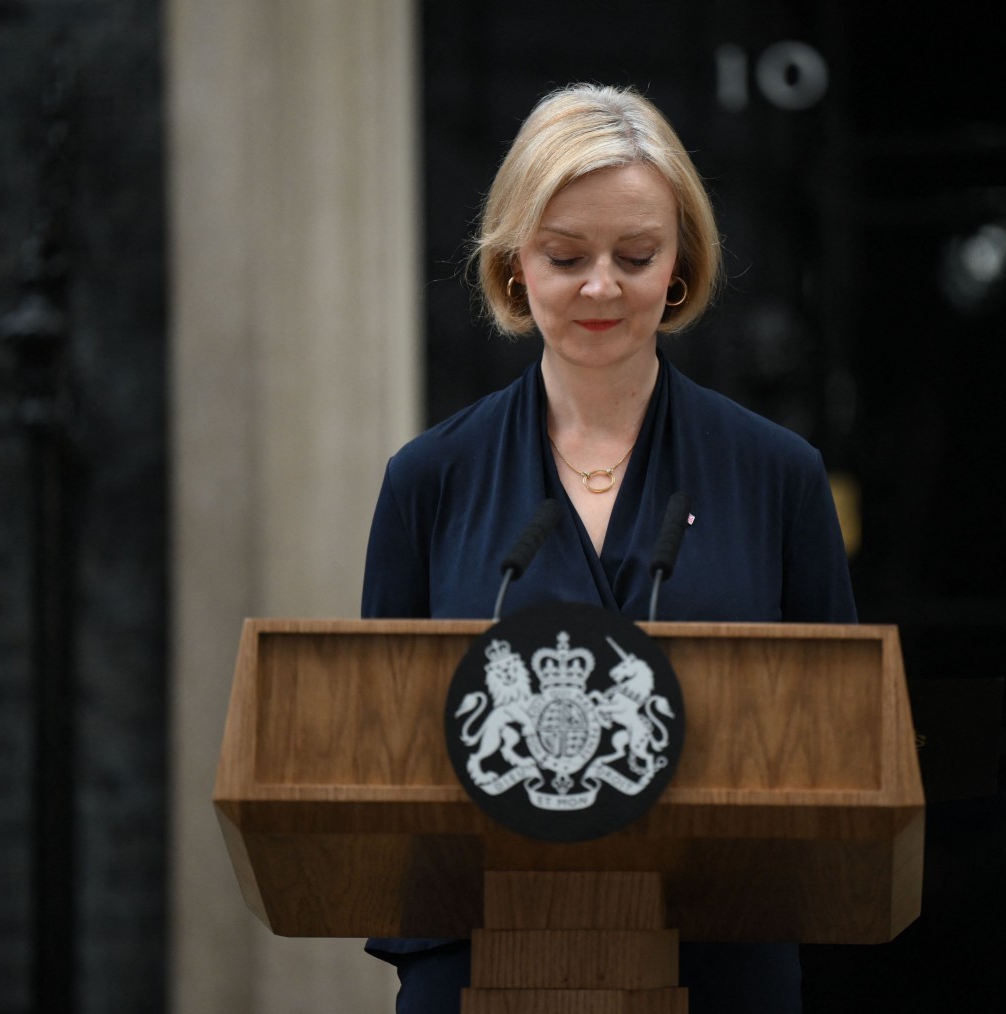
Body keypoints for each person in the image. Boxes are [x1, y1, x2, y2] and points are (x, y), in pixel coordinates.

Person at [361, 83, 856, 1014]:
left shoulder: (779, 476)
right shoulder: (427, 480)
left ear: (678, 268)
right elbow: (384, 757)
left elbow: (838, 749)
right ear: (515, 268)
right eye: (564, 255)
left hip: (718, 962)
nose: (600, 286)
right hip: (481, 960)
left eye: (635, 255)